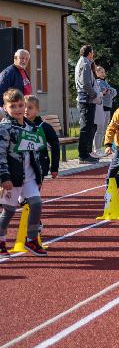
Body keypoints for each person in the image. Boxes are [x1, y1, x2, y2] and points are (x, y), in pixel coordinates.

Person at [0, 89, 47, 255]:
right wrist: (4, 177)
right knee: (9, 211)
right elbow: (1, 155)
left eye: (20, 105)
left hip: (30, 177)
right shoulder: (5, 128)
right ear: (5, 108)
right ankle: (1, 240)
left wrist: (39, 175)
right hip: (13, 178)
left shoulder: (30, 126)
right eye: (13, 106)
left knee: (36, 204)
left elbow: (36, 152)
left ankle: (31, 239)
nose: (18, 109)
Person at [25, 95, 59, 185]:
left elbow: (55, 145)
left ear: (37, 110)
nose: (26, 110)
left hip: (40, 165)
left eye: (30, 108)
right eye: (23, 106)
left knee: (33, 195)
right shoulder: (16, 126)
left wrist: (54, 167)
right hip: (21, 168)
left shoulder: (44, 127)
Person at [75, 45, 100, 163]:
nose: (93, 54)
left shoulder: (83, 62)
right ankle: (83, 155)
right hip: (86, 100)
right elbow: (85, 83)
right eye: (92, 52)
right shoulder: (85, 64)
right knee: (86, 127)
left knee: (88, 126)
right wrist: (94, 94)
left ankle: (87, 153)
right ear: (89, 53)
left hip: (86, 99)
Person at [93, 65, 116, 155]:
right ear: (97, 73)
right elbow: (105, 92)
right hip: (101, 108)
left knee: (105, 129)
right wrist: (109, 92)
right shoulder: (98, 82)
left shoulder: (105, 82)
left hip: (107, 108)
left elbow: (113, 92)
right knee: (100, 129)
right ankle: (97, 149)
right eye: (101, 72)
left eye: (104, 72)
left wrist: (109, 91)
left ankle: (103, 148)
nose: (103, 74)